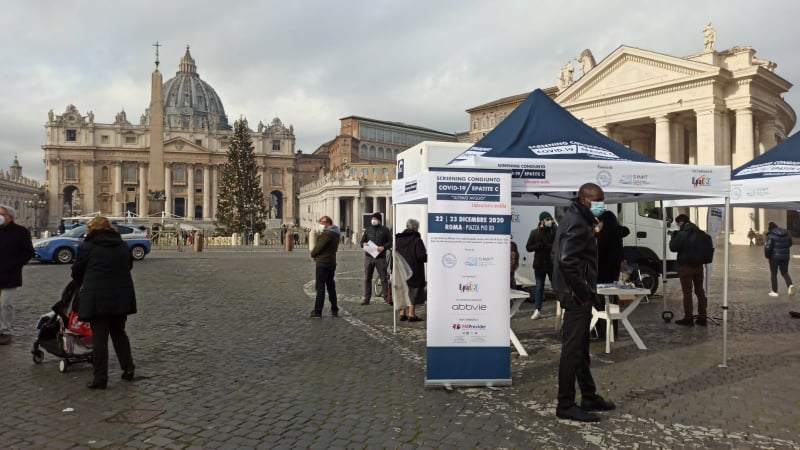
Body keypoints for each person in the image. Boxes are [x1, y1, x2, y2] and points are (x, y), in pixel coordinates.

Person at [551, 183, 615, 422]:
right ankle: (565, 403)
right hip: (576, 295)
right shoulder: (577, 222)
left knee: (581, 348)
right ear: (584, 199)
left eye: (603, 198)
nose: (601, 203)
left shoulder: (577, 218)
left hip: (576, 292)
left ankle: (588, 395)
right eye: (597, 199)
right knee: (572, 349)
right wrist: (583, 293)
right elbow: (566, 260)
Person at [71, 216, 136, 389]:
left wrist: (83, 281)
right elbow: (129, 265)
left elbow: (77, 270)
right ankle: (128, 369)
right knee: (119, 333)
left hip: (96, 296)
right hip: (120, 295)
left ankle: (100, 378)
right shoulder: (121, 244)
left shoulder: (88, 246)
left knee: (100, 337)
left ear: (91, 228)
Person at [0, 205, 34, 345]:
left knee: (5, 304)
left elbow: (28, 252)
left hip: (10, 274)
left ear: (10, 217)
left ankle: (5, 331)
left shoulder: (20, 231)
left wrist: (14, 265)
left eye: (2, 214)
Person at [668, 214, 708, 326]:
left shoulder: (682, 234)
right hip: (699, 266)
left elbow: (673, 247)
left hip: (686, 266)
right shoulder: (700, 232)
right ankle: (702, 317)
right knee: (700, 291)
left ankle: (688, 317)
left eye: (678, 224)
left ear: (680, 222)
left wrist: (673, 237)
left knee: (687, 293)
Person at [394, 219, 427, 322]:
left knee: (403, 289)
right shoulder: (417, 240)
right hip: (414, 270)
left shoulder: (397, 239)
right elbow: (421, 256)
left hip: (400, 269)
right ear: (415, 228)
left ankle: (402, 313)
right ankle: (411, 314)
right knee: (413, 291)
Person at [526, 211, 556, 319]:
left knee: (556, 286)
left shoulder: (554, 231)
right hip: (539, 265)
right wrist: (537, 246)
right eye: (547, 219)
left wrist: (549, 246)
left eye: (550, 219)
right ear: (542, 220)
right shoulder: (534, 232)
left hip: (552, 264)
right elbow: (528, 247)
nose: (550, 221)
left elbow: (558, 245)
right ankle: (537, 310)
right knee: (539, 287)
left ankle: (562, 307)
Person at [309, 215, 341, 318]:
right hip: (331, 262)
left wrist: (313, 254)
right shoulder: (336, 233)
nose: (321, 224)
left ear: (328, 223)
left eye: (323, 222)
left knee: (320, 287)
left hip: (323, 262)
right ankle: (334, 309)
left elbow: (319, 247)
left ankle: (318, 311)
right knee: (331, 287)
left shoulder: (327, 234)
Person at [360, 212, 393, 305]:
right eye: (373, 218)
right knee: (367, 278)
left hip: (380, 258)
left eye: (375, 219)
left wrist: (383, 247)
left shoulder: (385, 230)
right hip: (368, 257)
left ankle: (387, 298)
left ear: (379, 220)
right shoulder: (368, 230)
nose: (373, 220)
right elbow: (362, 242)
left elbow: (390, 242)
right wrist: (363, 244)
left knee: (383, 278)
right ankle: (366, 298)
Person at [764, 222, 795, 298]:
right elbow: (790, 243)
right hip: (785, 256)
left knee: (774, 274)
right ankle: (790, 285)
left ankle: (775, 291)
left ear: (770, 228)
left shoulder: (771, 235)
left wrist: (767, 256)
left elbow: (768, 247)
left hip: (774, 257)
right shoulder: (786, 233)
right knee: (785, 272)